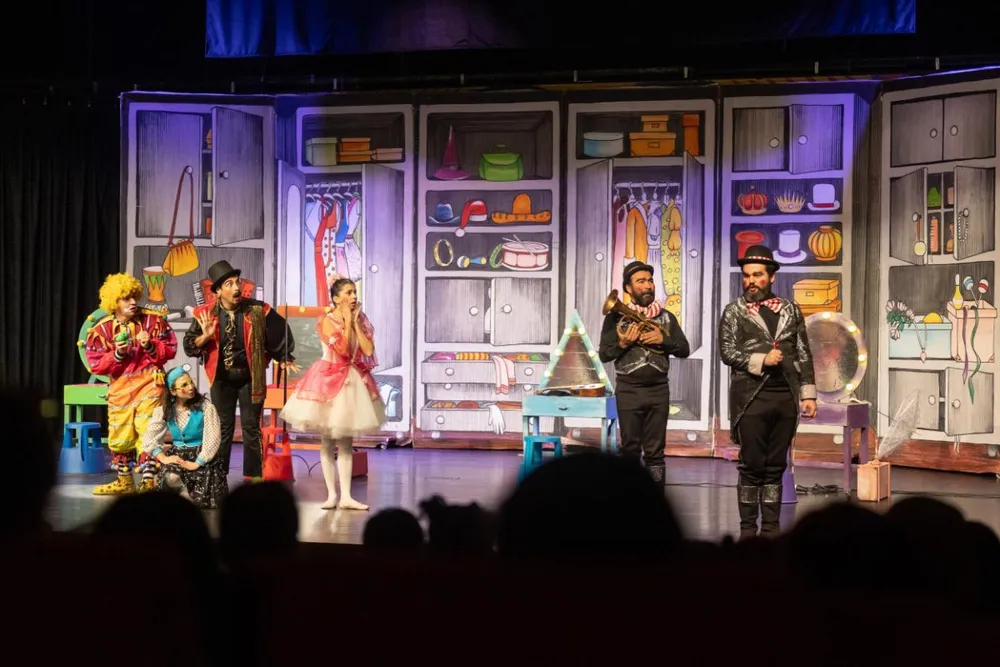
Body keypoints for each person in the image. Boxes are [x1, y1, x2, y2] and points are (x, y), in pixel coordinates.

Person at [719, 244, 817, 539]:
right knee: (751, 465)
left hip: (784, 397)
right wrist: (761, 359)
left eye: (757, 275)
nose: (751, 281)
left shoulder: (790, 309)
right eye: (747, 275)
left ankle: (771, 530)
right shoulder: (734, 312)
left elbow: (803, 352)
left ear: (771, 277)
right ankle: (748, 530)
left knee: (776, 466)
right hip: (751, 398)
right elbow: (727, 352)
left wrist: (808, 394)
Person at [183, 261, 298, 481]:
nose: (236, 288)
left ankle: (254, 477)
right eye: (229, 284)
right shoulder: (205, 314)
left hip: (250, 378)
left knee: (251, 427)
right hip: (221, 379)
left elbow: (279, 330)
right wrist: (205, 337)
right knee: (223, 427)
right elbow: (190, 346)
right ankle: (219, 476)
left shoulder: (257, 310)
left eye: (237, 282)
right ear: (218, 291)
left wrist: (284, 356)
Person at [279, 275, 386, 510]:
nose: (353, 296)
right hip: (329, 380)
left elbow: (368, 350)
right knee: (327, 440)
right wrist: (347, 320)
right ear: (336, 299)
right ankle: (331, 495)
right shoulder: (328, 320)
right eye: (348, 292)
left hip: (352, 381)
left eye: (354, 292)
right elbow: (343, 350)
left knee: (346, 441)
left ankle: (346, 496)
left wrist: (354, 322)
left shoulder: (360, 319)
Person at [598, 261, 690, 485]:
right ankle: (629, 497)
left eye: (650, 280)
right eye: (641, 281)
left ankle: (655, 498)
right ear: (628, 288)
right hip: (629, 391)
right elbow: (604, 355)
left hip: (659, 390)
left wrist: (663, 339)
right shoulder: (614, 318)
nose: (648, 285)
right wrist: (622, 344)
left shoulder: (667, 317)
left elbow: (684, 350)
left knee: (655, 452)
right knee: (630, 449)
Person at [85, 273, 177, 495]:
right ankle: (125, 482)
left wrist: (150, 345)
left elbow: (170, 349)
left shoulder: (153, 321)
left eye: (134, 297)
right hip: (120, 390)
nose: (133, 302)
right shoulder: (102, 330)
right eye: (126, 298)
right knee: (121, 435)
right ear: (114, 301)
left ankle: (148, 482)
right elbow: (95, 364)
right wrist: (117, 354)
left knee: (149, 432)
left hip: (149, 384)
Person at [142, 366, 228, 509]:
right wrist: (163, 457)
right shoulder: (165, 410)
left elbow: (213, 438)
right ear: (173, 391)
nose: (191, 387)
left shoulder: (206, 407)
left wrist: (197, 462)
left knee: (199, 499)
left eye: (191, 382)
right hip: (178, 455)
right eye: (184, 385)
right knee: (171, 478)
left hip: (202, 455)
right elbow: (150, 437)